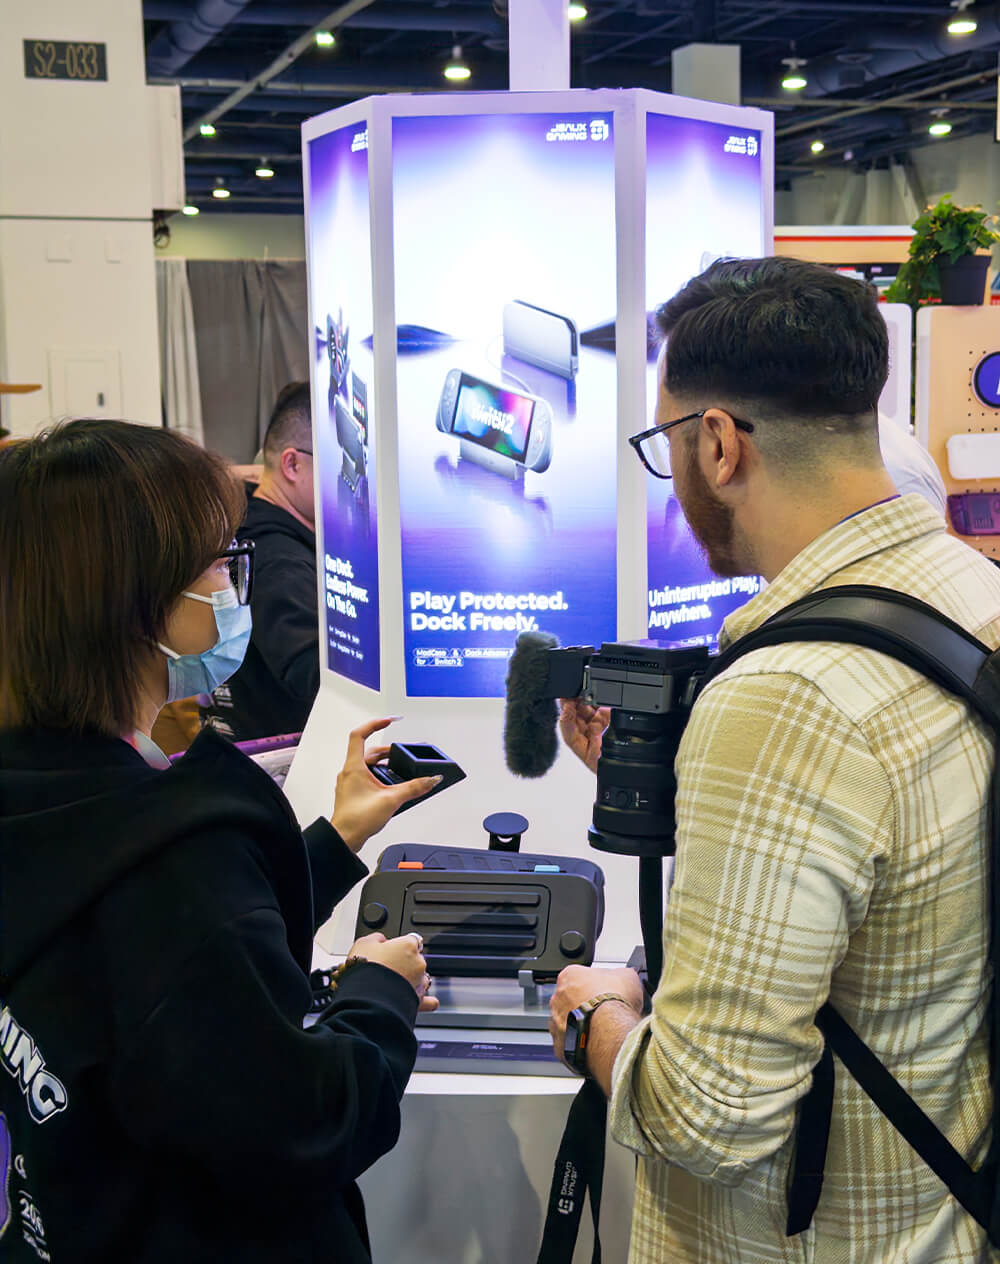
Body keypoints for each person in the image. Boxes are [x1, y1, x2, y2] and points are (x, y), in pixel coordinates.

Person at [551, 258, 1000, 1261]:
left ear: (717, 443)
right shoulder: (971, 592)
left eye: (665, 444)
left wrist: (595, 1018)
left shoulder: (786, 696)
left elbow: (704, 1120)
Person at [0, 417, 443, 1264]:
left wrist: (331, 843)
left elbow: (151, 968)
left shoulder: (51, 804)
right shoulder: (172, 853)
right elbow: (306, 1126)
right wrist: (378, 995)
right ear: (136, 605)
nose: (234, 583)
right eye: (216, 563)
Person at [204, 381, 320, 741]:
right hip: (279, 757)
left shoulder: (248, 528)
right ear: (292, 464)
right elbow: (314, 676)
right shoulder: (279, 560)